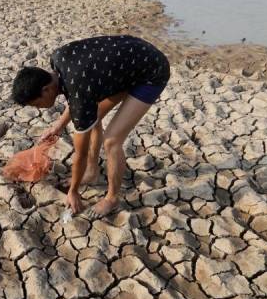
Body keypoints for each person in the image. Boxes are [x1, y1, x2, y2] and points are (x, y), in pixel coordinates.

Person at [11, 35, 171, 219]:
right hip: (131, 58)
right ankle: (92, 172)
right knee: (92, 114)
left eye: (35, 104)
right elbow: (82, 99)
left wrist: (73, 191)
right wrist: (58, 126)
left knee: (112, 141)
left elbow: (80, 153)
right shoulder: (57, 59)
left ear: (46, 89)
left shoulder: (78, 90)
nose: (37, 108)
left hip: (151, 72)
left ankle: (111, 199)